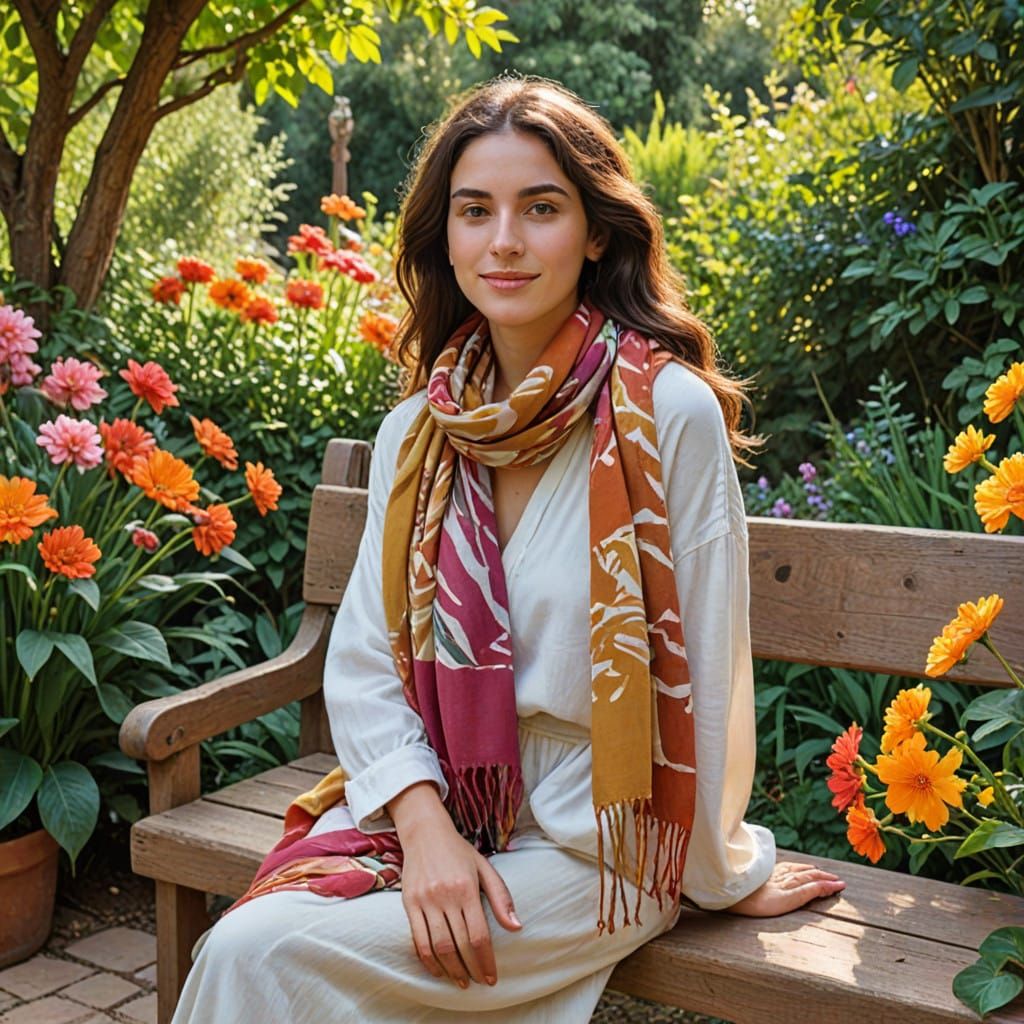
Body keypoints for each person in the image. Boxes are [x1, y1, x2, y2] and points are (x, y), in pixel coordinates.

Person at [172, 75, 845, 1024]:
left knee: (260, 955)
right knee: (253, 944)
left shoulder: (668, 417)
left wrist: (719, 877)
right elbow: (365, 663)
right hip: (436, 803)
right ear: (444, 236)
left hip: (600, 842)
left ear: (597, 230)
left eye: (541, 209)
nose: (505, 242)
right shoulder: (419, 432)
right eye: (475, 210)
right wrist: (428, 830)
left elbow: (707, 678)